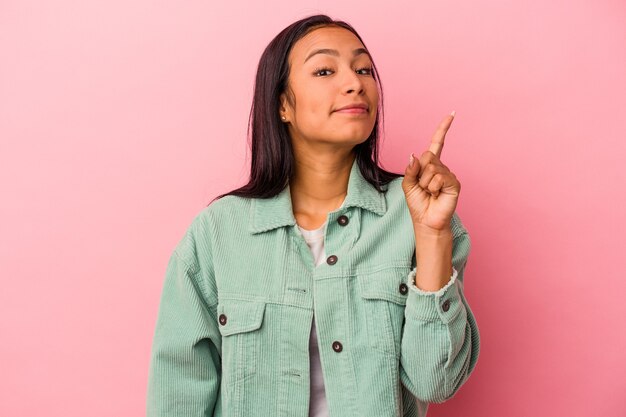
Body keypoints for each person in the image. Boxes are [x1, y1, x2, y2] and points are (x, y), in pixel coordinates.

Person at [146, 14, 480, 417]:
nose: (355, 82)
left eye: (363, 69)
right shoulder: (218, 232)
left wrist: (431, 236)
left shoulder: (418, 217)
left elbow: (435, 383)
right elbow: (177, 395)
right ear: (284, 104)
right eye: (325, 70)